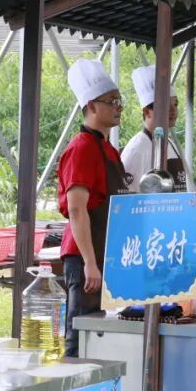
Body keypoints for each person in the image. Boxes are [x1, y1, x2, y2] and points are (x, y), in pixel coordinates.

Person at [58, 59, 126, 357]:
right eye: (111, 101)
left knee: (102, 336)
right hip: (84, 256)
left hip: (104, 252)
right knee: (80, 334)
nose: (118, 107)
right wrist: (89, 263)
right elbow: (77, 209)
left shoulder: (108, 148)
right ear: (91, 106)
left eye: (119, 101)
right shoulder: (81, 148)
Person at [120, 65, 187, 193]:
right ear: (147, 111)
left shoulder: (172, 144)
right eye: (166, 105)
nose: (173, 110)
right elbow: (126, 195)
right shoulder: (137, 149)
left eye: (175, 104)